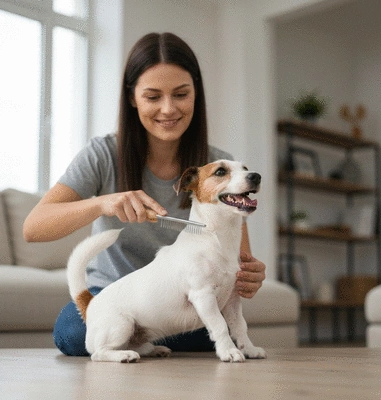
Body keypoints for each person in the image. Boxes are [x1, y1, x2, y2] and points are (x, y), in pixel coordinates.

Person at [23, 32, 266, 356]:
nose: (168, 109)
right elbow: (33, 227)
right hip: (113, 293)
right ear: (132, 97)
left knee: (211, 316)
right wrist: (102, 203)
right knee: (73, 332)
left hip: (184, 301)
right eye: (153, 96)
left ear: (196, 94)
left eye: (181, 94)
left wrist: (249, 277)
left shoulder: (217, 167)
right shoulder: (102, 154)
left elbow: (238, 264)